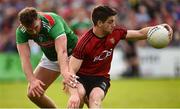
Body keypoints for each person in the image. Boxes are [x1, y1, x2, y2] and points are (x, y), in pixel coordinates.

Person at [67, 5, 173, 108]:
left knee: (95, 99)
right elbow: (71, 70)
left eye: (114, 21)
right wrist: (74, 94)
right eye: (110, 22)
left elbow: (140, 33)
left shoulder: (115, 33)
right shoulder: (84, 43)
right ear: (99, 23)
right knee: (79, 96)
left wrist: (159, 27)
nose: (114, 24)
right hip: (81, 77)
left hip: (100, 78)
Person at [16, 7, 80, 108]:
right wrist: (32, 80)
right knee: (33, 94)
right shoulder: (21, 31)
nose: (34, 32)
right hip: (51, 57)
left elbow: (61, 51)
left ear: (38, 18)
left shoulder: (52, 21)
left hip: (74, 55)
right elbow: (24, 58)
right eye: (30, 30)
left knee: (80, 95)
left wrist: (65, 72)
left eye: (35, 27)